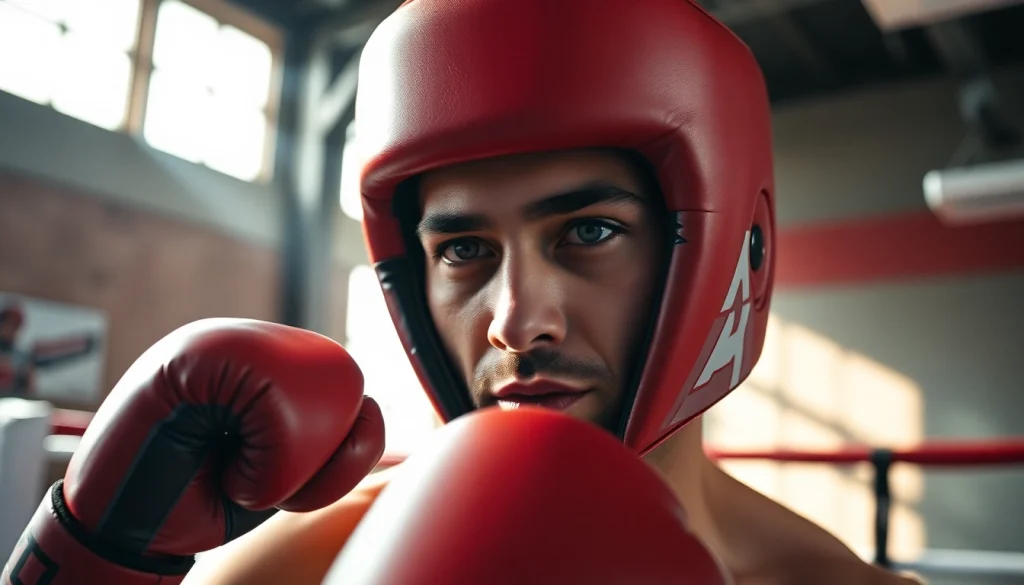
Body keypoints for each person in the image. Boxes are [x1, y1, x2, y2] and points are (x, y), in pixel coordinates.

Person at [3, 1, 923, 584]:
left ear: (735, 252)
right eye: (465, 250)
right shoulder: (309, 565)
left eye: (588, 233)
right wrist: (94, 554)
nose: (518, 320)